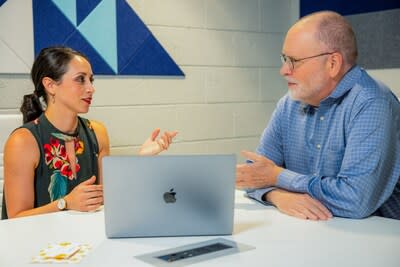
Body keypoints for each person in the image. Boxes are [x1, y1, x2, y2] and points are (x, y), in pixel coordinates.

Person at [236, 11, 400, 220]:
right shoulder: (288, 104)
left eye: (294, 60)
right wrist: (277, 195)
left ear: (333, 63)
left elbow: (354, 201)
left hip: (377, 238)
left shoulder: (372, 103)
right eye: (284, 59)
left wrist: (277, 176)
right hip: (314, 232)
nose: (284, 70)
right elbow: (252, 176)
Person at [2, 46, 177, 219]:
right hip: (40, 244)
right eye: (80, 79)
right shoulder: (23, 141)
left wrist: (140, 160)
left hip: (85, 241)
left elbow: (108, 198)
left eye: (90, 80)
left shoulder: (98, 133)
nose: (90, 89)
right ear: (50, 85)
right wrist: (66, 203)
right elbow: (17, 217)